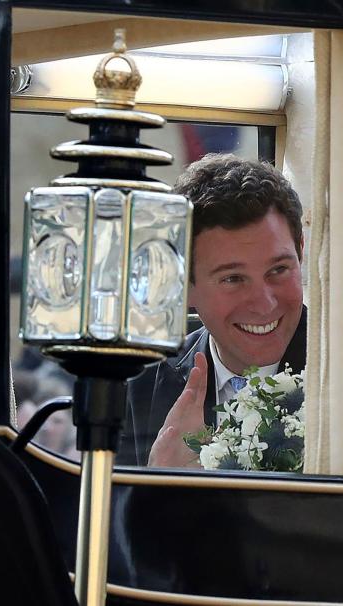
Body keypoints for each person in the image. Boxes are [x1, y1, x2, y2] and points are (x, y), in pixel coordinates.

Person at [118, 154, 307, 468]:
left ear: (301, 252)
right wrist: (158, 485)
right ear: (182, 283)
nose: (264, 304)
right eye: (233, 279)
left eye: (278, 270)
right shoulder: (140, 384)